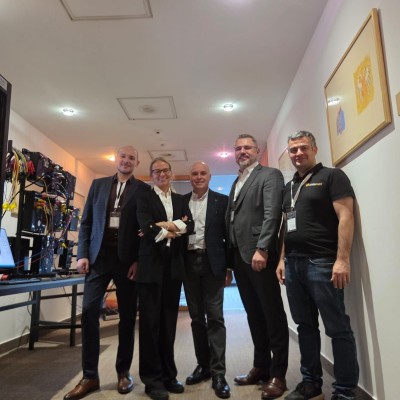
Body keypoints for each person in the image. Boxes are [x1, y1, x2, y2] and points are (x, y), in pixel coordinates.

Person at [276, 130, 359, 400]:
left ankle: (344, 391)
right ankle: (311, 384)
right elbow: (286, 226)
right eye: (293, 150)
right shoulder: (289, 187)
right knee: (305, 326)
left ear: (314, 148)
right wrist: (281, 259)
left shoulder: (332, 176)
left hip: (322, 262)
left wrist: (342, 259)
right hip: (293, 264)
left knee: (337, 327)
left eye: (303, 148)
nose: (298, 153)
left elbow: (346, 216)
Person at [64, 145, 150, 400]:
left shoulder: (143, 190)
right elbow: (87, 222)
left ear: (137, 163)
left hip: (127, 262)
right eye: (123, 156)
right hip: (98, 259)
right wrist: (82, 254)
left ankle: (123, 372)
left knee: (127, 316)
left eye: (132, 158)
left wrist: (138, 261)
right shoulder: (98, 185)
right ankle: (90, 376)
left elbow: (144, 229)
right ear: (116, 159)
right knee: (89, 310)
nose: (126, 160)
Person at [226, 134, 289, 400]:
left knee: (272, 315)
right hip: (239, 258)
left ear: (257, 150)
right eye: (238, 148)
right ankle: (261, 366)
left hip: (259, 255)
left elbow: (272, 213)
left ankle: (278, 374)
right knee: (254, 314)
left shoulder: (270, 175)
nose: (242, 151)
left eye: (247, 147)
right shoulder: (237, 181)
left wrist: (263, 248)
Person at [136, 157, 194, 400]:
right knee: (150, 324)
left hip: (173, 267)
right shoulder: (144, 197)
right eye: (156, 171)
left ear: (171, 173)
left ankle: (169, 375)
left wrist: (162, 226)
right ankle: (152, 380)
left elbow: (190, 226)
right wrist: (173, 229)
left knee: (169, 323)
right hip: (151, 266)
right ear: (151, 175)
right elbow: (145, 226)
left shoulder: (181, 200)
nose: (161, 174)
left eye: (165, 170)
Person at [183, 161, 232, 399]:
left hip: (213, 265)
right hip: (188, 264)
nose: (199, 176)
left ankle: (218, 373)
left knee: (215, 317)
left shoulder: (222, 201)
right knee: (196, 318)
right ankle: (203, 366)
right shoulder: (180, 202)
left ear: (210, 176)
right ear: (190, 177)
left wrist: (229, 267)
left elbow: (228, 236)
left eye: (203, 173)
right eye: (195, 173)